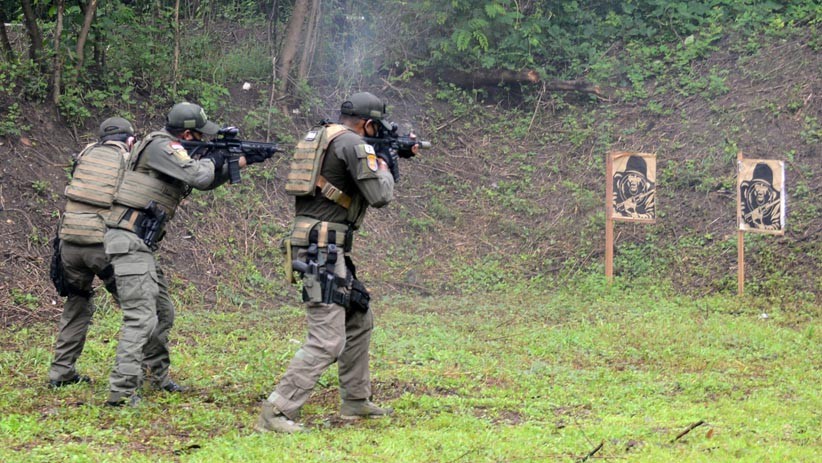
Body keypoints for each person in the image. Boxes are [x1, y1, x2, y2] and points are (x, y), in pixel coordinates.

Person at [256, 92, 417, 433]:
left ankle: (355, 400)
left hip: (325, 246)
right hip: (322, 249)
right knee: (327, 338)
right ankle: (276, 412)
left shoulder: (326, 136)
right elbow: (380, 196)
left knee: (358, 317)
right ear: (369, 124)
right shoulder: (355, 145)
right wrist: (384, 164)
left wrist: (385, 152)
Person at [103, 102, 273, 407]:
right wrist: (218, 157)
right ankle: (122, 392)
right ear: (186, 133)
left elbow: (204, 180)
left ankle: (155, 376)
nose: (203, 141)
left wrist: (241, 160)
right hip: (127, 240)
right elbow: (199, 175)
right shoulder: (160, 146)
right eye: (199, 136)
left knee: (163, 312)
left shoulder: (170, 149)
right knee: (141, 317)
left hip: (140, 243)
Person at [47, 117, 136, 388]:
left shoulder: (85, 154)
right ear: (129, 140)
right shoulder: (127, 160)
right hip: (102, 245)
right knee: (139, 309)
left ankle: (61, 373)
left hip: (69, 244)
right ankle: (141, 376)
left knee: (77, 303)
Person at [740, 162, 781, 230]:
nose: (760, 189)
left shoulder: (776, 200)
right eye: (758, 185)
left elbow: (777, 225)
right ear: (753, 185)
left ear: (769, 188)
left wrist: (762, 227)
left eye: (764, 186)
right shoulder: (747, 195)